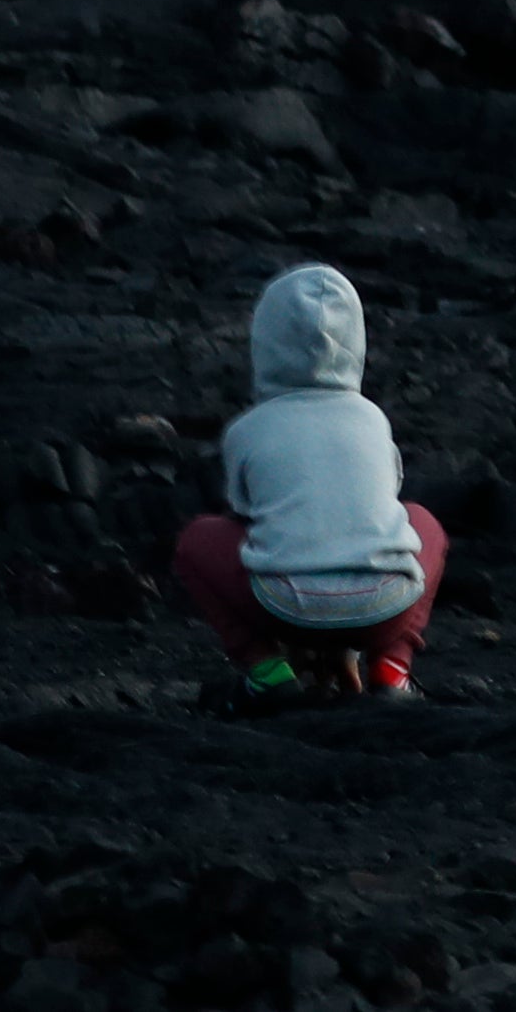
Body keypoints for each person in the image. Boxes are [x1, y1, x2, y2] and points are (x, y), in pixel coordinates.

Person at [178, 264, 446, 702]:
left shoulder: (249, 428)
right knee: (424, 524)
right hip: (385, 608)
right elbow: (381, 509)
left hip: (283, 608)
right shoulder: (372, 419)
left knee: (197, 540)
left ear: (264, 343)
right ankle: (392, 670)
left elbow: (246, 516)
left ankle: (267, 672)